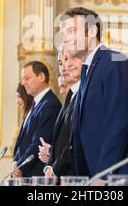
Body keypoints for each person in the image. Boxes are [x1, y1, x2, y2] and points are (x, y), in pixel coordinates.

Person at [58, 7, 128, 182]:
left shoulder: (115, 61)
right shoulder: (87, 71)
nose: (64, 38)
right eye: (62, 33)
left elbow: (119, 122)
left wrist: (104, 175)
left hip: (123, 176)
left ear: (91, 31)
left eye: (71, 31)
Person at [12, 61, 61, 178]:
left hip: (36, 176)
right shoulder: (36, 104)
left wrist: (19, 167)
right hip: (25, 175)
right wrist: (15, 163)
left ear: (41, 77)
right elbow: (22, 142)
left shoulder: (50, 104)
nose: (23, 83)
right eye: (22, 79)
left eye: (27, 78)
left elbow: (38, 143)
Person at [39, 50, 82, 179]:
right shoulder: (69, 97)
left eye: (68, 59)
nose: (64, 66)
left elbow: (75, 143)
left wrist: (54, 169)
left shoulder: (84, 95)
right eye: (60, 62)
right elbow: (62, 142)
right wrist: (50, 166)